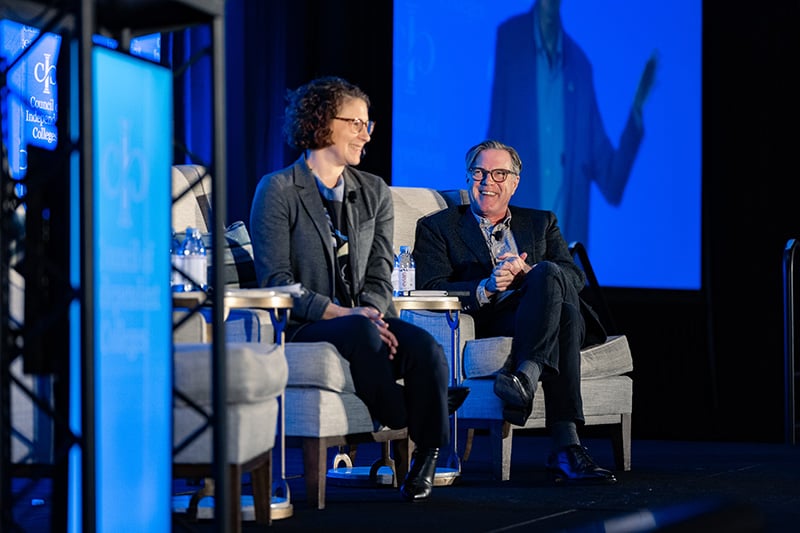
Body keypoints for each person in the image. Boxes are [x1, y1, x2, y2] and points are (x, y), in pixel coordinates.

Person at [249, 76, 467, 502]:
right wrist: (346, 315)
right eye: (356, 123)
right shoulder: (277, 189)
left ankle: (425, 458)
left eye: (369, 125)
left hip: (366, 317)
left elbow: (381, 271)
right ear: (321, 123)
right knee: (364, 332)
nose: (366, 135)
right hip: (307, 322)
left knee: (427, 349)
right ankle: (410, 412)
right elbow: (275, 282)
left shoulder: (374, 191)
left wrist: (369, 309)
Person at [412, 139, 616, 484]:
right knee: (562, 311)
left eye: (498, 173)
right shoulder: (438, 227)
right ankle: (566, 446)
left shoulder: (540, 223)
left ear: (515, 181)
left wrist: (528, 273)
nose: (487, 181)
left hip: (543, 308)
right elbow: (431, 285)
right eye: (479, 172)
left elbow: (574, 277)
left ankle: (526, 376)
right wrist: (487, 286)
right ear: (468, 177)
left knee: (548, 274)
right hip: (497, 316)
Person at [487, 0, 657, 249]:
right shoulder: (510, 38)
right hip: (514, 252)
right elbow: (495, 142)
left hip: (563, 263)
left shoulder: (580, 67)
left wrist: (637, 111)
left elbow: (611, 181)